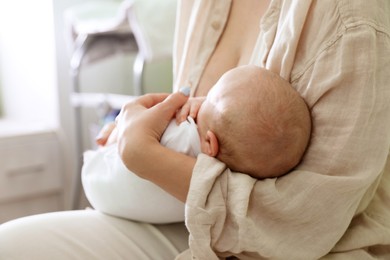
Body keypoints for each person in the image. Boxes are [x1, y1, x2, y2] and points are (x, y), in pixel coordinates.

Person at [0, 0, 389, 259]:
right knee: (12, 246)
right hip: (190, 227)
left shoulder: (354, 20)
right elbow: (187, 110)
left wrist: (143, 156)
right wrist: (132, 127)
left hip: (309, 249)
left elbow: (308, 222)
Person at [82, 65, 311, 223]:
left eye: (209, 97)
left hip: (98, 176)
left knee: (117, 126)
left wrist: (118, 129)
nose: (200, 100)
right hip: (122, 206)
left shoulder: (183, 137)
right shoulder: (235, 174)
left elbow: (130, 137)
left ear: (210, 143)